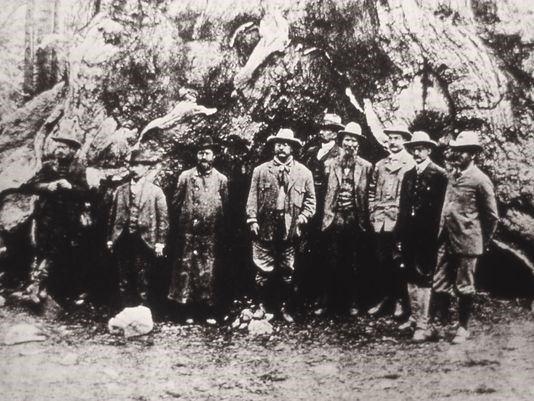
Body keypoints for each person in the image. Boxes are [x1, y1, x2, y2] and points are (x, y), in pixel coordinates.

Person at [433, 130, 498, 344]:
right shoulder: (453, 176)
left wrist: (480, 241)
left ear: (473, 154)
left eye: (464, 152)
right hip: (447, 238)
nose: (459, 155)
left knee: (464, 286)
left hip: (468, 241)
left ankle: (463, 327)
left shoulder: (480, 180)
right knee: (439, 283)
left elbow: (491, 217)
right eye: (457, 150)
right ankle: (440, 324)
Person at [246, 128, 316, 323]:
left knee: (287, 270)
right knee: (262, 269)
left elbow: (311, 202)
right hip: (265, 226)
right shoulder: (260, 171)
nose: (282, 147)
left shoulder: (304, 173)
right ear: (274, 146)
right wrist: (252, 220)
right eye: (278, 143)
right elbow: (252, 198)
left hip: (291, 228)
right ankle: (262, 306)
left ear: (292, 147)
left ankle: (285, 306)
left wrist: (303, 217)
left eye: (286, 144)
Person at [14, 134, 89, 306]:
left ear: (72, 150)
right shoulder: (47, 167)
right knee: (43, 249)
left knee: (59, 253)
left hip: (68, 220)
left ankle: (45, 287)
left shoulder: (79, 168)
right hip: (46, 217)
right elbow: (29, 186)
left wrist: (71, 187)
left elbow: (86, 193)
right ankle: (38, 287)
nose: (59, 150)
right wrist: (48, 187)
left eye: (63, 148)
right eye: (58, 147)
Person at [167, 137, 229, 324]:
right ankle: (187, 312)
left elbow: (224, 206)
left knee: (207, 273)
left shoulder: (221, 179)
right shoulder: (185, 177)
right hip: (188, 235)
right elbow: (176, 203)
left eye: (207, 153)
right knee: (186, 273)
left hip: (209, 235)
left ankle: (207, 312)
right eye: (200, 152)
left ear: (214, 156)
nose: (203, 156)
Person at [396, 131, 448, 341]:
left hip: (428, 236)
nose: (417, 152)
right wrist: (399, 234)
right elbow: (402, 207)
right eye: (414, 149)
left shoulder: (439, 175)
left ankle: (424, 324)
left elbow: (443, 210)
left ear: (429, 150)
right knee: (410, 275)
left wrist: (439, 236)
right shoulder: (408, 175)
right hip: (409, 234)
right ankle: (415, 317)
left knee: (425, 277)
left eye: (421, 148)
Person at [320, 122, 372, 315]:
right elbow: (324, 193)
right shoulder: (330, 164)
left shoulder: (367, 167)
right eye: (347, 139)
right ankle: (327, 303)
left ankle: (352, 303)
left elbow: (368, 194)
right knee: (331, 260)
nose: (350, 144)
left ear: (358, 144)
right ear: (341, 141)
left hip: (355, 219)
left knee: (354, 261)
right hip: (334, 218)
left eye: (354, 140)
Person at [107, 149, 169, 307]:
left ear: (146, 168)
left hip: (145, 239)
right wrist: (110, 238)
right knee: (123, 275)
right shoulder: (120, 191)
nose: (134, 169)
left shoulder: (156, 191)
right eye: (132, 165)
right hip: (123, 239)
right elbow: (112, 216)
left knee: (143, 276)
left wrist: (160, 242)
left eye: (138, 165)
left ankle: (143, 309)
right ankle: (125, 309)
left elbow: (163, 219)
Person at [367, 125, 415, 316]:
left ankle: (401, 301)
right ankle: (386, 298)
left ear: (404, 141)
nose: (393, 142)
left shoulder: (410, 163)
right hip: (380, 220)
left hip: (398, 220)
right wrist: (372, 210)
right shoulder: (379, 164)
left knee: (399, 261)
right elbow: (372, 190)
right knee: (382, 260)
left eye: (397, 138)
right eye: (390, 138)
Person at [301, 113, 343, 313]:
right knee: (308, 252)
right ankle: (307, 297)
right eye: (321, 128)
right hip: (309, 208)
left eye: (327, 129)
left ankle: (326, 301)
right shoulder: (310, 152)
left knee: (328, 254)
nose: (322, 132)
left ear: (335, 132)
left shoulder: (340, 155)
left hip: (328, 210)